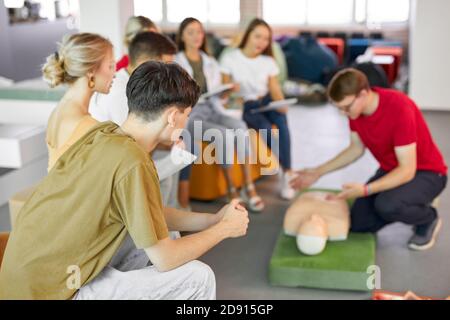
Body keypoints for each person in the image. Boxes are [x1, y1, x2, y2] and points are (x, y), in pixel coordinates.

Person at [0, 61, 249, 300]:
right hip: (53, 292)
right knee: (198, 277)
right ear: (173, 116)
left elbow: (148, 214)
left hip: (23, 281)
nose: (186, 124)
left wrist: (212, 219)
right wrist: (224, 229)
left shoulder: (103, 134)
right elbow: (166, 259)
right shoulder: (134, 161)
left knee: (158, 236)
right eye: (187, 115)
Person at [290, 68, 447, 251]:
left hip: (427, 173)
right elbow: (356, 149)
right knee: (359, 224)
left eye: (346, 107)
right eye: (340, 109)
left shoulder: (400, 107)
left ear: (363, 94)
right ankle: (411, 200)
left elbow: (407, 170)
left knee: (387, 205)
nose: (344, 113)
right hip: (391, 169)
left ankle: (428, 218)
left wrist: (366, 190)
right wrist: (317, 172)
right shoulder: (355, 112)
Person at [175, 17, 264, 212]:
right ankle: (232, 190)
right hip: (193, 115)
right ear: (182, 36)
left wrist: (224, 93)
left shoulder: (210, 61)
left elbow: (217, 94)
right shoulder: (176, 62)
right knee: (223, 135)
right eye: (190, 32)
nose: (196, 36)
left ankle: (249, 187)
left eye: (199, 31)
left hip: (213, 108)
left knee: (240, 128)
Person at [90, 31, 179, 208]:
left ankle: (169, 225)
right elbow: (134, 144)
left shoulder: (134, 83)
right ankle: (162, 228)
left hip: (126, 156)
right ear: (146, 62)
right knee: (168, 168)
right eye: (165, 66)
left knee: (172, 160)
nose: (168, 73)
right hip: (112, 169)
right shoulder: (120, 91)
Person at [220, 18, 296, 200]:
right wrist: (231, 91)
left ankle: (287, 174)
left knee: (282, 121)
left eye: (266, 39)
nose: (261, 43)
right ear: (247, 36)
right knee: (267, 129)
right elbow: (224, 92)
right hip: (246, 105)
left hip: (266, 101)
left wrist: (281, 103)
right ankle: (286, 170)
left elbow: (275, 89)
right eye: (258, 37)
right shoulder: (230, 58)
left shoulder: (268, 61)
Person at [43, 33, 115, 171]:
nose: (114, 73)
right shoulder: (87, 126)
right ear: (91, 71)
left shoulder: (58, 110)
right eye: (111, 66)